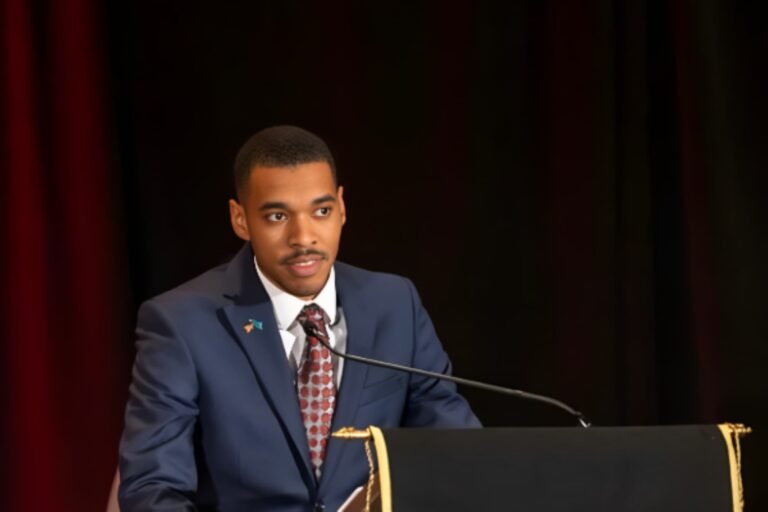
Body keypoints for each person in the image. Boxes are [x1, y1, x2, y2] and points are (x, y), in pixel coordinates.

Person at [118, 125, 480, 511]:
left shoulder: (394, 304)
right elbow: (151, 488)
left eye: (321, 211)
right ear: (240, 220)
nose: (303, 237)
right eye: (277, 216)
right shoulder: (181, 322)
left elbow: (456, 452)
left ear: (342, 208)